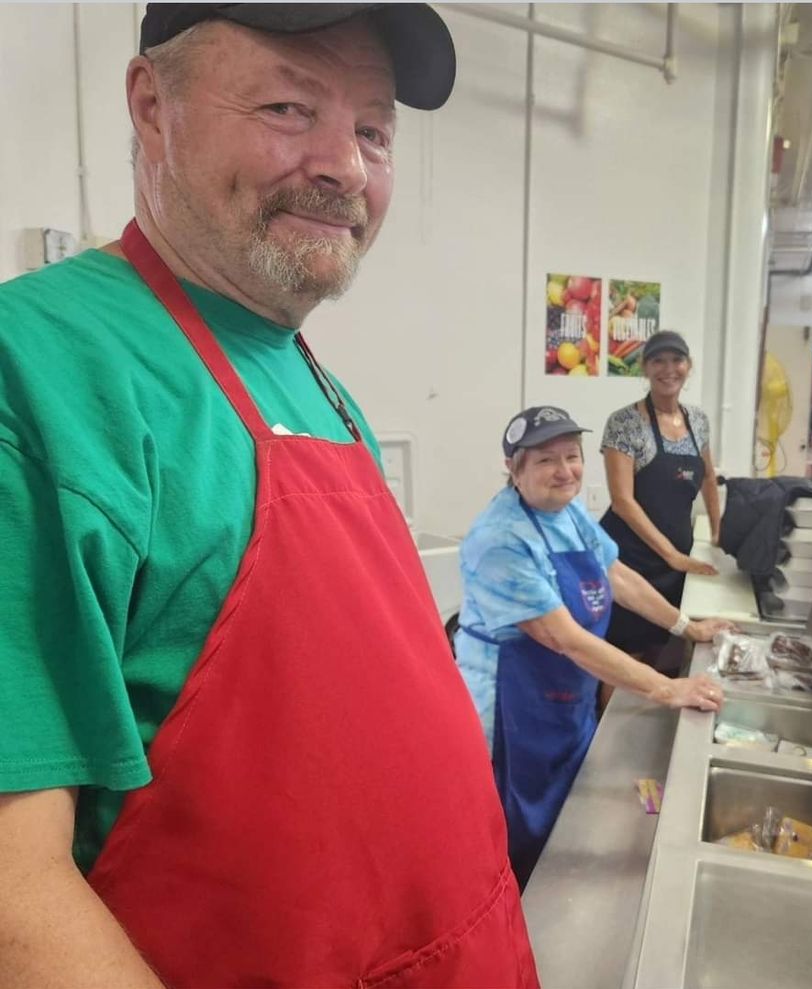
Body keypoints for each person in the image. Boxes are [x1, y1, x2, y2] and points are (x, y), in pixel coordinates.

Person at [0, 6, 539, 987]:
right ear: (150, 106)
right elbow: (13, 895)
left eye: (374, 130)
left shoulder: (318, 382)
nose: (344, 166)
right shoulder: (35, 372)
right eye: (291, 106)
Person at [454, 406, 730, 888]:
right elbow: (565, 638)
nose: (565, 471)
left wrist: (688, 627)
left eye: (572, 456)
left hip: (562, 697)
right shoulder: (499, 538)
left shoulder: (569, 513)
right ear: (514, 470)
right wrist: (666, 688)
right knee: (510, 832)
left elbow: (619, 577)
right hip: (511, 713)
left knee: (563, 816)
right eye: (545, 461)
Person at [599, 330, 721, 663]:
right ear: (645, 367)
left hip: (675, 558)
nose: (669, 369)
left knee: (661, 649)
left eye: (676, 360)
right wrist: (671, 556)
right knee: (625, 655)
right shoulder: (624, 423)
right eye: (658, 361)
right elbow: (622, 501)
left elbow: (709, 477)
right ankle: (609, 716)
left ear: (689, 366)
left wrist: (718, 534)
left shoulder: (698, 420)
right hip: (631, 560)